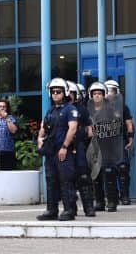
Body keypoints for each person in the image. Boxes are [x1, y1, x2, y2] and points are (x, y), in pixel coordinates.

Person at [37, 78, 79, 221]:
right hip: (51, 151)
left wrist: (65, 147)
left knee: (66, 180)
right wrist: (39, 138)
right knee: (51, 180)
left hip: (63, 150)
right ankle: (51, 210)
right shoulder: (51, 110)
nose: (55, 94)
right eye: (53, 91)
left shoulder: (70, 109)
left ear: (65, 92)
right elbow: (43, 126)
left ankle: (69, 210)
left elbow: (72, 128)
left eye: (58, 91)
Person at [88, 82, 120, 213]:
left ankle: (112, 201)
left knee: (108, 172)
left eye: (99, 94)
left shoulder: (110, 110)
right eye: (94, 94)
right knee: (96, 174)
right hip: (93, 145)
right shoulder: (87, 110)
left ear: (104, 95)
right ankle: (99, 201)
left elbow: (116, 127)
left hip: (107, 144)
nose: (97, 96)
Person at [105, 79, 136, 205]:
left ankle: (125, 196)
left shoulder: (123, 107)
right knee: (108, 170)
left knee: (123, 168)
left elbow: (129, 124)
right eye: (107, 91)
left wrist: (130, 138)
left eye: (112, 91)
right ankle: (112, 197)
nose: (109, 93)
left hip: (119, 140)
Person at [67, 82, 95, 216]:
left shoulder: (81, 109)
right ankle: (70, 208)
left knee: (83, 176)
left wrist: (85, 142)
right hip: (64, 147)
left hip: (79, 145)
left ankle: (89, 207)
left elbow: (90, 130)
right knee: (67, 178)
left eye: (70, 93)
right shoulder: (57, 110)